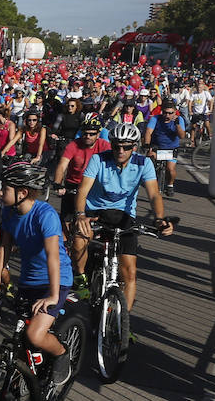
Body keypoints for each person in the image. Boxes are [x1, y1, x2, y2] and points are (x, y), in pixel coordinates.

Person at [0, 162, 74, 385]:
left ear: (22, 192)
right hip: (28, 280)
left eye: (5, 189)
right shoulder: (8, 212)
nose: (0, 192)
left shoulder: (45, 214)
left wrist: (53, 296)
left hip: (55, 280)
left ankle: (62, 354)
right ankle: (30, 375)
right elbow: (4, 246)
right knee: (22, 337)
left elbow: (53, 256)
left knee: (34, 335)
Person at [73, 123, 173, 312]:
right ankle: (80, 277)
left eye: (126, 146)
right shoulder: (98, 159)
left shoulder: (144, 163)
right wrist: (80, 215)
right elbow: (83, 190)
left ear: (134, 147)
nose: (120, 150)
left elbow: (153, 195)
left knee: (130, 273)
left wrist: (160, 219)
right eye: (116, 146)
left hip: (124, 215)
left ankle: (121, 324)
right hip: (96, 211)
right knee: (80, 240)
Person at [53, 118, 110, 289]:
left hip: (94, 189)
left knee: (89, 233)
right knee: (66, 228)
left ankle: (86, 258)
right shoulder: (73, 145)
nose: (88, 136)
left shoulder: (105, 146)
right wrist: (58, 183)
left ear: (98, 134)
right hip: (73, 188)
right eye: (85, 133)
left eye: (92, 134)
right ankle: (75, 269)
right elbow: (62, 165)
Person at [143, 100, 186, 197]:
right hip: (157, 146)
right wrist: (147, 144)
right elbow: (148, 132)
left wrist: (177, 124)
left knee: (170, 169)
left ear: (175, 112)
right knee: (150, 160)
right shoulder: (155, 119)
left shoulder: (179, 120)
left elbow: (182, 136)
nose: (167, 115)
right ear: (162, 111)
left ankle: (170, 184)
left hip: (171, 148)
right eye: (165, 112)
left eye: (170, 113)